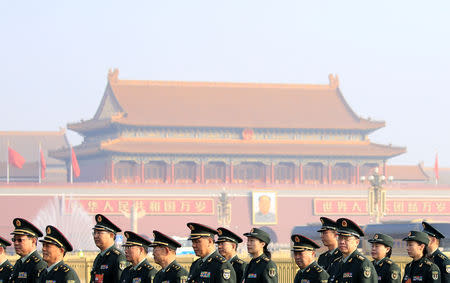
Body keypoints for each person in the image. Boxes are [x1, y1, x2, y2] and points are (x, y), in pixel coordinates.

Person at [327, 218, 377, 283]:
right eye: (340, 238)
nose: (342, 242)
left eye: (346, 239)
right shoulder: (335, 263)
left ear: (357, 242)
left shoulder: (362, 264)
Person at [90, 214, 127, 283]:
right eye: (94, 233)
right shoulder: (99, 257)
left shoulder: (118, 257)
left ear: (111, 235)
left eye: (99, 233)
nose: (95, 236)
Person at [9, 218, 47, 283]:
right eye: (14, 240)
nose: (16, 243)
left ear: (33, 241)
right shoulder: (19, 263)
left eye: (20, 240)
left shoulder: (39, 265)